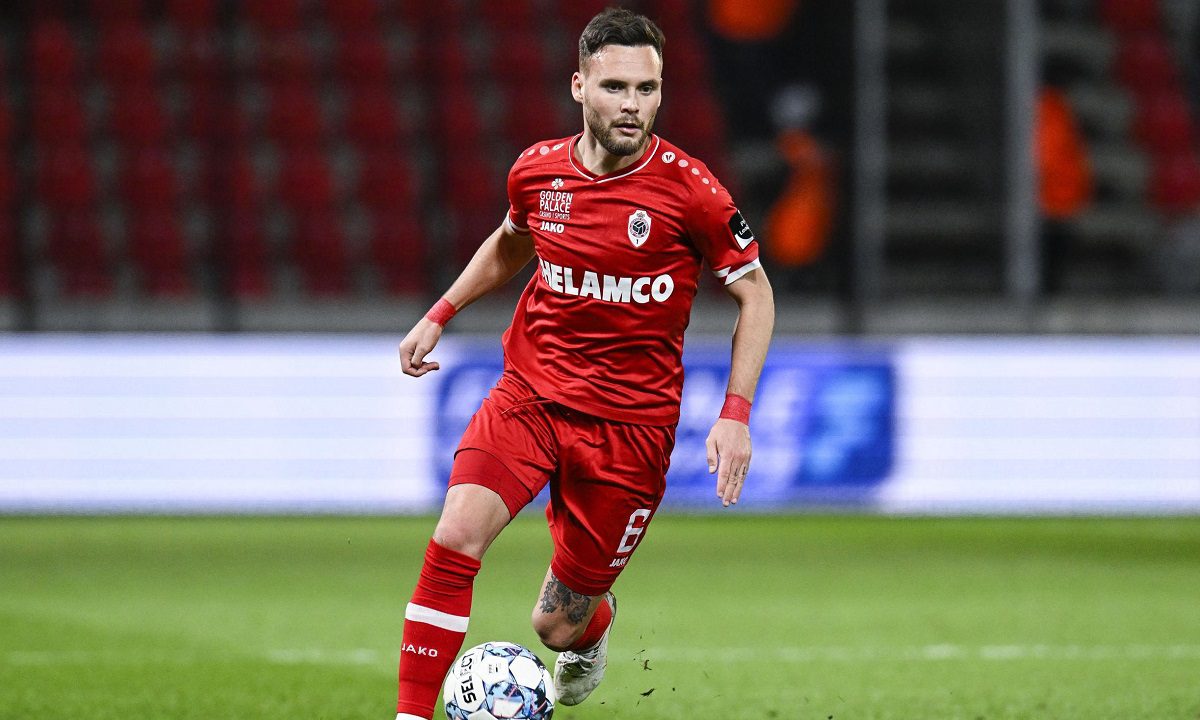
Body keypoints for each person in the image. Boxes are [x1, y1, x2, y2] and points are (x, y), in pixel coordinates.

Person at [393, 8, 775, 719]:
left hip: (629, 429)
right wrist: (440, 311)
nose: (633, 105)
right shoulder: (538, 171)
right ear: (579, 86)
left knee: (556, 625)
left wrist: (736, 413)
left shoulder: (692, 191)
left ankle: (590, 630)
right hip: (530, 395)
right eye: (615, 87)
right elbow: (513, 241)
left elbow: (756, 294)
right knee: (455, 537)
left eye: (647, 89)